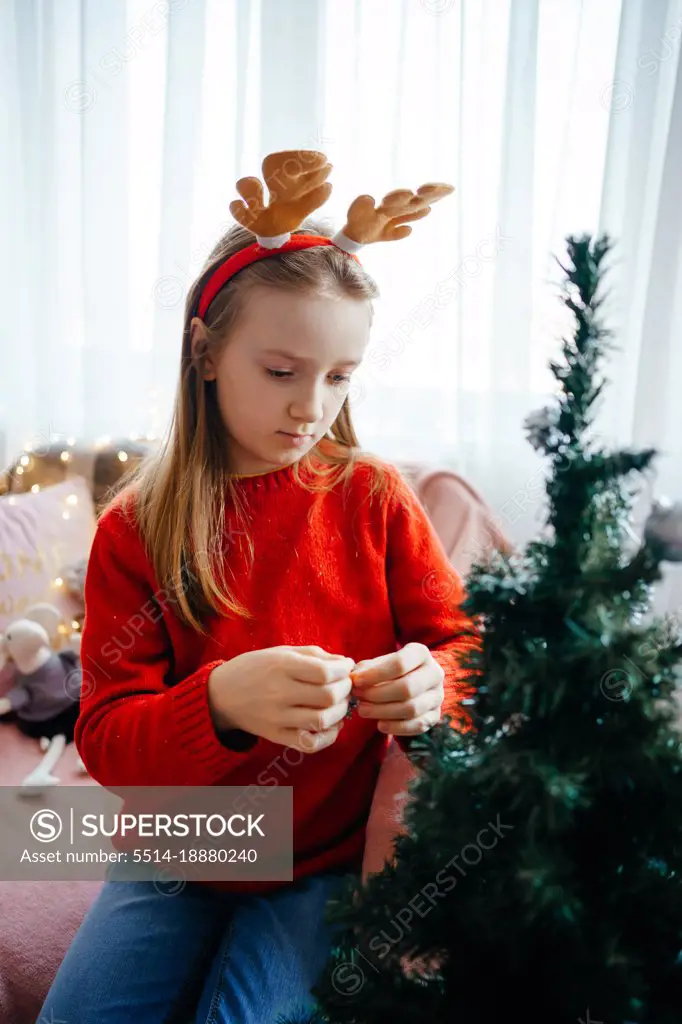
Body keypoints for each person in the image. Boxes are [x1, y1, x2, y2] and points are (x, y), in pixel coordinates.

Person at [38, 150, 479, 1023]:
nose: (311, 406)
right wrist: (220, 705)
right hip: (176, 848)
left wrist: (437, 682)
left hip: (319, 859)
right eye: (281, 372)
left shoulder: (376, 498)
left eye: (340, 376)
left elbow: (460, 642)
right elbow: (105, 742)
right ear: (205, 354)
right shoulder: (136, 527)